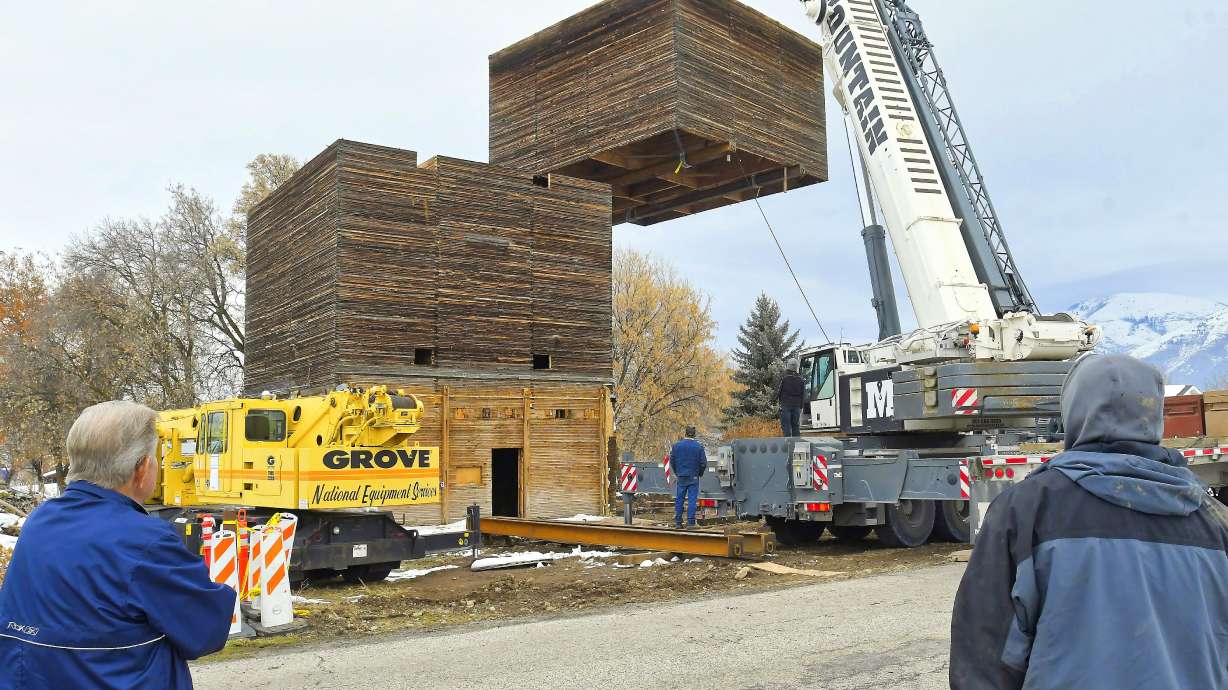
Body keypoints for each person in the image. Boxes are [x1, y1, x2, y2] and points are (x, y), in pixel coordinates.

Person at [950, 354, 1228, 689]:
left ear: (1074, 412)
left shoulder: (1025, 511)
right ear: (1154, 414)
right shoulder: (1214, 521)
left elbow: (984, 661)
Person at [0, 401, 236, 689]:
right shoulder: (147, 541)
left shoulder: (40, 522)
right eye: (156, 457)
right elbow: (205, 632)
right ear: (142, 468)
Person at [670, 426, 707, 529]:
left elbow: (672, 461)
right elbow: (703, 463)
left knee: (679, 499)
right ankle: (690, 523)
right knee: (692, 500)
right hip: (693, 477)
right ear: (694, 434)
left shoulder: (676, 446)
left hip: (681, 476)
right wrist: (699, 473)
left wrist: (677, 472)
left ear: (685, 434)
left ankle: (678, 522)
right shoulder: (699, 447)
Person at [778, 358, 805, 437]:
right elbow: (802, 394)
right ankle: (797, 446)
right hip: (796, 406)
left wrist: (775, 401)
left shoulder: (783, 377)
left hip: (785, 405)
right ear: (796, 367)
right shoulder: (800, 379)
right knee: (795, 426)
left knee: (786, 427)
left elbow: (778, 391)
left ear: (788, 366)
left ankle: (788, 446)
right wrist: (801, 407)